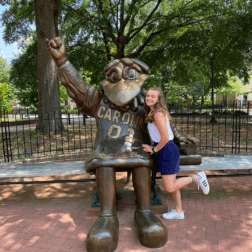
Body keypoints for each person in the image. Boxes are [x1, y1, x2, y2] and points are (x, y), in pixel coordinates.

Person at [142, 87, 210, 220]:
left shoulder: (157, 114)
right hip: (165, 149)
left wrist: (154, 150)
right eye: (148, 95)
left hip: (167, 150)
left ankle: (198, 177)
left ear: (158, 99)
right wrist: (153, 146)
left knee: (170, 186)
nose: (149, 98)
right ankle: (179, 211)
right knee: (173, 184)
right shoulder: (155, 112)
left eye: (153, 96)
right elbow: (160, 136)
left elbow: (165, 138)